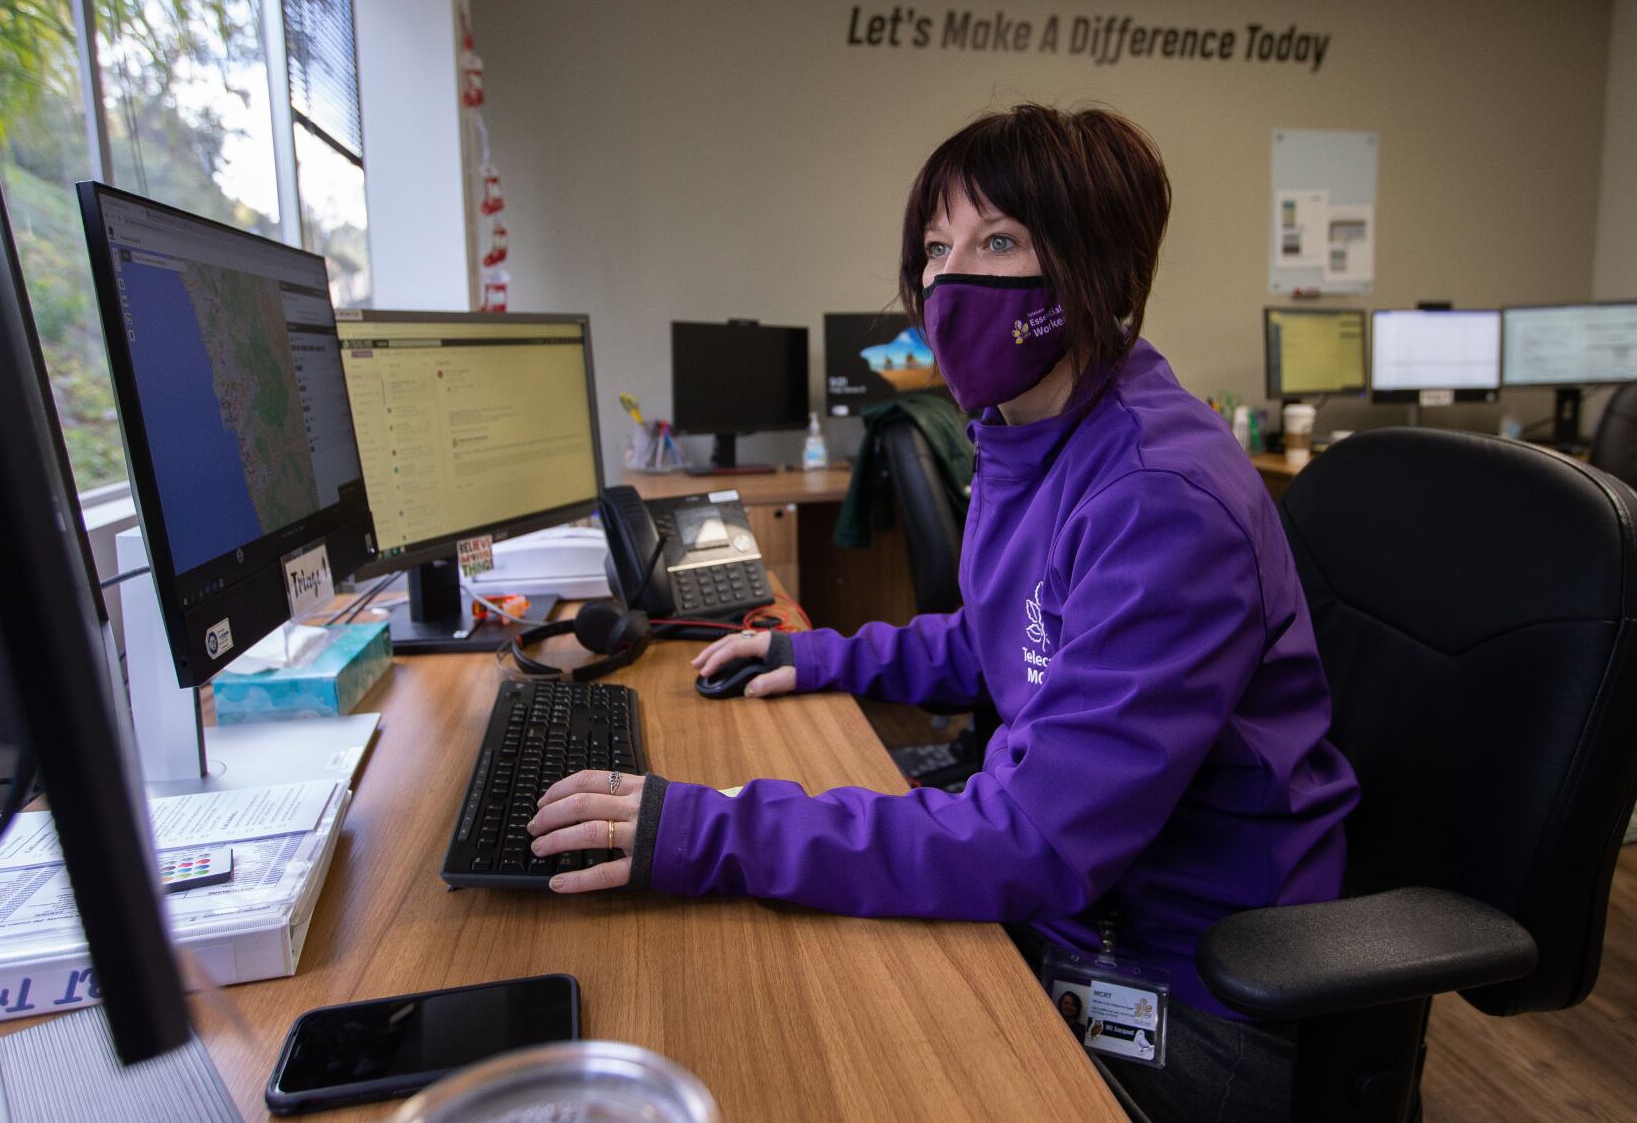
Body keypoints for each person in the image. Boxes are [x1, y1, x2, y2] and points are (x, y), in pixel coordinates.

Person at [528, 104, 1359, 1120]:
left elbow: (1029, 841)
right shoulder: (1028, 433)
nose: (944, 280)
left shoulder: (1157, 497)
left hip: (1181, 980)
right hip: (1084, 899)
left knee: (795, 1054)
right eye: (934, 247)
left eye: (998, 240)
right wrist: (827, 654)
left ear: (1094, 268)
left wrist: (703, 827)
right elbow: (1001, 633)